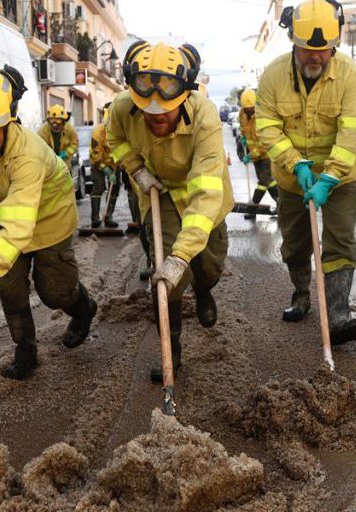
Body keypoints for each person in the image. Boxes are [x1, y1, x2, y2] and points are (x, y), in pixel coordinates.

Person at [0, 69, 97, 380]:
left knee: (54, 292)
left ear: (9, 120)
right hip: (8, 214)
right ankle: (25, 349)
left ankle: (83, 309)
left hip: (49, 219)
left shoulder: (27, 154)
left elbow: (17, 230)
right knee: (8, 286)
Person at [106, 41, 232, 383]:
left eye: (165, 112)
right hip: (157, 191)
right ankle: (171, 352)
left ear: (184, 96)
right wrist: (135, 168)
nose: (156, 117)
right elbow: (114, 137)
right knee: (165, 277)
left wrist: (183, 257)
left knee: (207, 264)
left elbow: (205, 193)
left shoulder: (204, 115)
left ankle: (204, 290)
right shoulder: (121, 107)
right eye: (148, 111)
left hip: (202, 192)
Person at [256, 0, 356, 345]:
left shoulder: (348, 74)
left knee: (339, 240)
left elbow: (351, 134)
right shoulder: (273, 75)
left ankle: (337, 315)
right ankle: (301, 294)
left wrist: (329, 178)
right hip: (293, 177)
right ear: (294, 42)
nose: (315, 57)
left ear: (334, 45)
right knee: (295, 244)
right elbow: (266, 127)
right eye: (307, 49)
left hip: (340, 178)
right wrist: (296, 163)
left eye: (323, 49)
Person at [237, 87, 278, 220]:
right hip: (255, 157)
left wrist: (251, 155)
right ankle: (281, 205)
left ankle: (252, 209)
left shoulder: (262, 115)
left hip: (266, 155)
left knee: (262, 181)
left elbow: (264, 143)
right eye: (246, 108)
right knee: (268, 182)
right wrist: (243, 137)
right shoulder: (242, 114)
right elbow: (243, 128)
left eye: (251, 108)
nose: (248, 110)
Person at [88, 102, 119, 228]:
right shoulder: (98, 132)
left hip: (114, 163)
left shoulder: (119, 130)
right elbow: (96, 153)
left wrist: (116, 165)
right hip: (97, 162)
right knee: (98, 187)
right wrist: (104, 168)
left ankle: (108, 216)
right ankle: (95, 218)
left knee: (114, 189)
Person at [37, 104, 77, 175]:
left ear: (64, 121)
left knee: (67, 186)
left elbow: (74, 144)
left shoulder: (70, 129)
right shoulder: (43, 131)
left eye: (58, 124)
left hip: (65, 167)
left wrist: (66, 153)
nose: (55, 126)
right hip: (48, 169)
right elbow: (39, 148)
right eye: (52, 123)